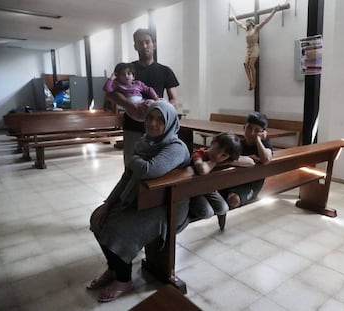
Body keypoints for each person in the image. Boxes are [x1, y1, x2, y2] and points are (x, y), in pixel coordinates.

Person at [88, 101, 190, 303]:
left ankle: (124, 279)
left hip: (168, 205)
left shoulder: (176, 147)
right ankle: (114, 267)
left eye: (160, 120)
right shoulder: (145, 143)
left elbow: (147, 169)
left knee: (118, 230)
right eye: (150, 118)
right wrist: (108, 203)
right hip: (143, 199)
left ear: (170, 123)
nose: (152, 124)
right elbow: (127, 177)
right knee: (98, 218)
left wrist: (132, 160)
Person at [107, 28, 180, 167]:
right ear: (135, 46)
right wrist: (132, 106)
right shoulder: (126, 70)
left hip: (158, 128)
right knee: (131, 165)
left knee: (155, 168)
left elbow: (174, 100)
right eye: (140, 43)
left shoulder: (165, 71)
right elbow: (110, 93)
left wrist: (164, 110)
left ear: (154, 44)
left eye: (147, 42)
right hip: (132, 127)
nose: (144, 46)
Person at [220, 112, 273, 208]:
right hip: (234, 179)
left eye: (257, 130)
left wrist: (258, 139)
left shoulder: (265, 144)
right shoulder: (239, 143)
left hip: (251, 184)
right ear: (244, 128)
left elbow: (266, 159)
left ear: (263, 132)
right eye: (249, 128)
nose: (251, 133)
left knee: (234, 200)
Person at [189, 133, 242, 219]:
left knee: (223, 208)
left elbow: (250, 162)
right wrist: (215, 162)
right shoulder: (199, 154)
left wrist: (229, 161)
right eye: (218, 148)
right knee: (207, 212)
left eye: (224, 155)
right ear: (213, 141)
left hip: (209, 188)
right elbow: (202, 170)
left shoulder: (223, 160)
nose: (218, 155)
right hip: (192, 190)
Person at [231, 5, 280, 90]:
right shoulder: (247, 29)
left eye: (247, 22)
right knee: (245, 65)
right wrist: (234, 19)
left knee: (251, 64)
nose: (246, 23)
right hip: (248, 49)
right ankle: (250, 81)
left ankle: (254, 82)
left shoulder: (256, 28)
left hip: (254, 48)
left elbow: (265, 21)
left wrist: (274, 11)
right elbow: (239, 24)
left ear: (251, 22)